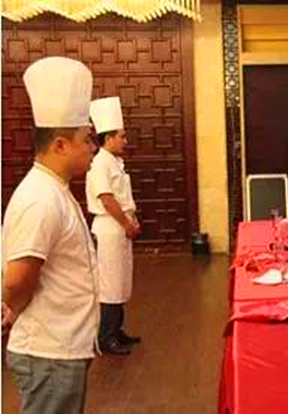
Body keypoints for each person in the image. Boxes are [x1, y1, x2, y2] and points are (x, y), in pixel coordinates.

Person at [2, 57, 99, 414]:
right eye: (87, 139)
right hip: (48, 350)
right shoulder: (40, 198)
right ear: (60, 145)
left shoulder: (55, 189)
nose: (93, 147)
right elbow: (17, 280)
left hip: (63, 348)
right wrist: (15, 309)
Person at [86, 96, 141, 355]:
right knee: (110, 284)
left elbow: (122, 197)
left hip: (120, 226)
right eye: (122, 136)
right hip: (109, 227)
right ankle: (106, 337)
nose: (125, 141)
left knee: (120, 282)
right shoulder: (99, 164)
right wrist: (126, 224)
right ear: (108, 138)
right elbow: (107, 199)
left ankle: (117, 329)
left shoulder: (115, 162)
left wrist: (132, 221)